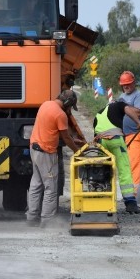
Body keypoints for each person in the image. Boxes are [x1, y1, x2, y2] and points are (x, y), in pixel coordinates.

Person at [26, 89, 86, 225]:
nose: (70, 109)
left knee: (36, 184)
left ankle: (31, 217)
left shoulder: (45, 105)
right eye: (70, 106)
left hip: (34, 148)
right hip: (46, 152)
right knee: (51, 187)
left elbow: (52, 129)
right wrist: (78, 152)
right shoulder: (60, 114)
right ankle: (47, 220)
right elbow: (65, 137)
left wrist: (72, 140)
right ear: (68, 102)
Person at [93, 98, 140, 214]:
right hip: (116, 140)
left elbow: (95, 135)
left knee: (103, 170)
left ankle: (101, 202)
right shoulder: (119, 104)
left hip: (101, 142)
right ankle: (130, 203)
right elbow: (128, 110)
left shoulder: (99, 113)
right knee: (124, 170)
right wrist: (139, 123)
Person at [118, 71, 140, 193]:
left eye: (128, 84)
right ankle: (128, 191)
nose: (126, 86)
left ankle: (134, 193)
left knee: (135, 165)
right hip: (124, 136)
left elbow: (139, 112)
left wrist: (125, 108)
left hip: (136, 135)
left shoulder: (139, 96)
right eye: (124, 84)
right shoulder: (121, 96)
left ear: (134, 82)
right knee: (127, 165)